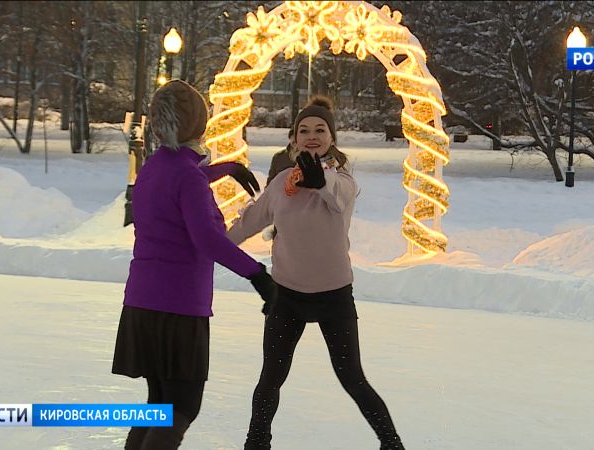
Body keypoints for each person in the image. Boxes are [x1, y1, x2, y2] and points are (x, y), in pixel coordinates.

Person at [227, 96, 404, 450]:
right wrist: (202, 239)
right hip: (287, 297)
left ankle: (392, 443)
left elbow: (336, 197)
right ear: (293, 139)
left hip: (333, 297)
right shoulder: (280, 185)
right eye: (304, 130)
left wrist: (318, 178)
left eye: (320, 130)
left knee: (352, 378)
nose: (311, 135)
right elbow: (246, 224)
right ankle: (256, 443)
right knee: (270, 379)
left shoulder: (343, 181)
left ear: (331, 138)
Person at [112, 80, 276, 450]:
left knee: (158, 406)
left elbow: (182, 176)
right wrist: (258, 275)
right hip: (178, 308)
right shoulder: (185, 177)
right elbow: (207, 239)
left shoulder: (153, 167)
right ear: (200, 125)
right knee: (182, 406)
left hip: (142, 304)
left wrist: (226, 168)